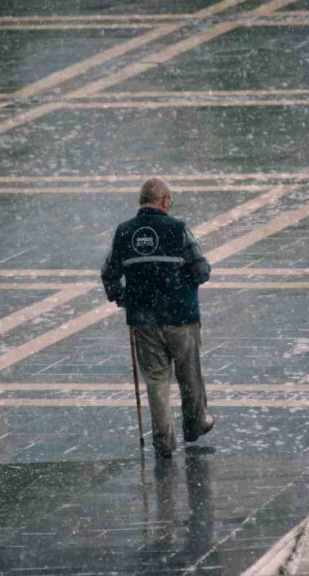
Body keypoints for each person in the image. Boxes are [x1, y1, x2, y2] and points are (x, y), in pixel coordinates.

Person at [101, 178, 215, 458]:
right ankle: (194, 424)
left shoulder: (124, 232)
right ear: (164, 200)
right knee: (189, 374)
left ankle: (164, 440)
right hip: (180, 316)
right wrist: (185, 284)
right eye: (170, 200)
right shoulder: (177, 229)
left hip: (143, 319)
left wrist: (123, 298)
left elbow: (109, 272)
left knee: (155, 379)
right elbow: (201, 269)